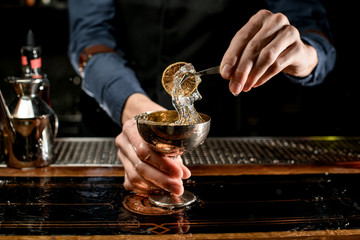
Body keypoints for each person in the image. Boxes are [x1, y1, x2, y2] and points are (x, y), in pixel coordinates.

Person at [68, 0, 336, 196]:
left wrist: (306, 55)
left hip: (223, 143)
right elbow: (90, 39)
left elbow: (317, 40)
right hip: (106, 137)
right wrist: (136, 110)